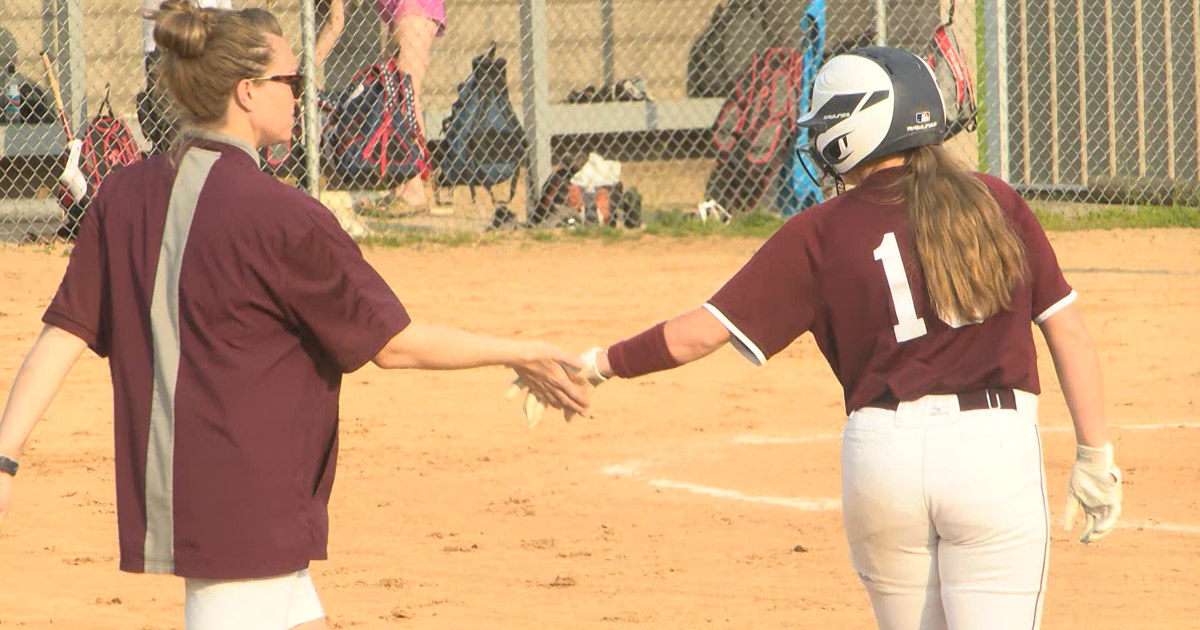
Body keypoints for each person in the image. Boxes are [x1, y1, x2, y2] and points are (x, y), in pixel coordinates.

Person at [0, 3, 588, 630]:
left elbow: (61, 334)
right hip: (244, 518)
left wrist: (4, 457)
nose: (303, 94)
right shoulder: (284, 216)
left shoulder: (122, 194)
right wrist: (517, 350)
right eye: (292, 81)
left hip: (239, 516)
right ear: (247, 92)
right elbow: (395, 344)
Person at [524, 47, 1124, 630]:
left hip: (881, 460)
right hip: (992, 451)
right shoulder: (998, 203)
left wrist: (600, 363)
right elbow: (1066, 329)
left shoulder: (818, 230)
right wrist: (1096, 457)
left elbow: (696, 335)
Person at [374, 0, 445, 211]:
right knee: (396, 98)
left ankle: (413, 188)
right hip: (403, 11)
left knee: (404, 99)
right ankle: (401, 186)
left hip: (414, 8)